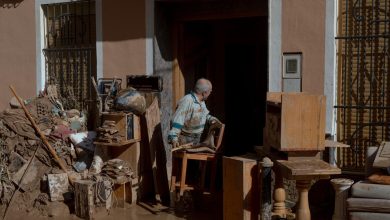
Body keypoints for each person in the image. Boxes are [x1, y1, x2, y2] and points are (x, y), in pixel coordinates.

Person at [168, 78, 221, 149]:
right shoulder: (187, 101)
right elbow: (178, 119)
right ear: (204, 93)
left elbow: (204, 115)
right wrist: (173, 137)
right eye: (209, 92)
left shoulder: (201, 102)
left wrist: (211, 119)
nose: (210, 94)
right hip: (185, 140)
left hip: (198, 139)